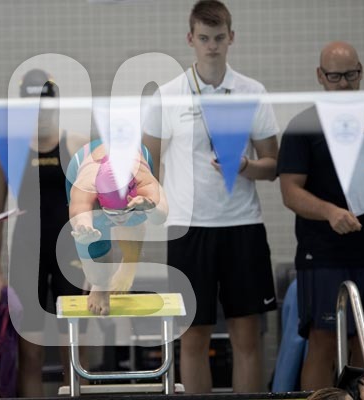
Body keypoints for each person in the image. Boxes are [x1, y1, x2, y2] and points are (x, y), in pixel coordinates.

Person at [142, 0, 280, 393]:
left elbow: (273, 164)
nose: (212, 46)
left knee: (247, 335)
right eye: (204, 38)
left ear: (231, 37)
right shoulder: (168, 95)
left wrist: (246, 166)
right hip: (189, 229)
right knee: (193, 337)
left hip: (242, 225)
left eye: (219, 37)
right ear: (190, 39)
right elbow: (147, 163)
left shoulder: (251, 92)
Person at [278, 41, 364, 391]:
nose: (344, 84)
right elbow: (290, 192)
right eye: (335, 76)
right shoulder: (304, 126)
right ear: (320, 76)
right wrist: (329, 212)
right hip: (323, 254)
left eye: (350, 75)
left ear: (361, 72)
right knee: (323, 343)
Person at [0, 69, 89, 397]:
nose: (40, 111)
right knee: (30, 354)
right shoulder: (6, 151)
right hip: (26, 254)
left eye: (46, 103)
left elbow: (96, 211)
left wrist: (98, 266)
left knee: (75, 351)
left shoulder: (77, 144)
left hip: (71, 253)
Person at [68, 140, 168, 315]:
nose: (119, 219)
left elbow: (161, 217)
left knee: (140, 212)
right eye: (113, 214)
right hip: (83, 166)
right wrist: (85, 229)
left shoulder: (144, 181)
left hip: (136, 170)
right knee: (96, 275)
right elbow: (79, 215)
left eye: (124, 212)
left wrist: (150, 207)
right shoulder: (84, 187)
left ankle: (129, 263)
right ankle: (100, 285)